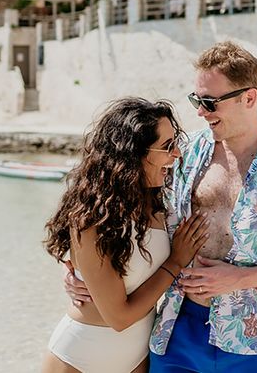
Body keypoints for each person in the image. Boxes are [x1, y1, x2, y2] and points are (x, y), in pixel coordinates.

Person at [66, 41, 257, 372]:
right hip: (177, 330)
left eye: (209, 102)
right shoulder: (183, 154)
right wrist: (84, 272)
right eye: (197, 100)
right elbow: (116, 204)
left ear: (248, 98)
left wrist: (238, 279)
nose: (200, 111)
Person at [42, 98, 209, 373]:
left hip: (138, 357)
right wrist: (175, 262)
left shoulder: (158, 203)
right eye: (168, 146)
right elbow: (119, 317)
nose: (177, 154)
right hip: (78, 359)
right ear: (134, 152)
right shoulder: (91, 220)